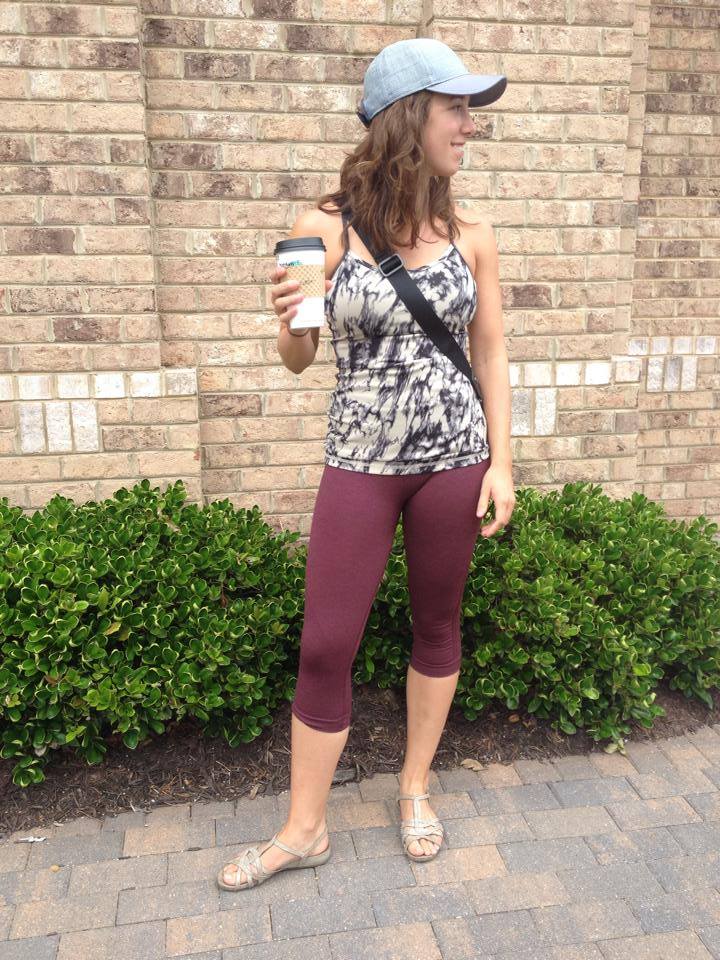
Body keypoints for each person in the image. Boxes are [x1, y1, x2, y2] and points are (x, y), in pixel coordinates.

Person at [217, 37, 515, 891]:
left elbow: (491, 352)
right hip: (360, 463)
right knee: (326, 644)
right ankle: (304, 829)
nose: (470, 125)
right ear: (406, 117)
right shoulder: (321, 228)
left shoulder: (473, 235)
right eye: (456, 108)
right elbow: (297, 359)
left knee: (436, 626)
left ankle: (414, 788)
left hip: (456, 461)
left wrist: (503, 463)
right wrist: (289, 318)